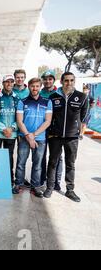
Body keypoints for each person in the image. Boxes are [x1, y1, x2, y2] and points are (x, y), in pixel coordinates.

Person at [44, 72, 89, 202]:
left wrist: (80, 131)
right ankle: (50, 187)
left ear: (74, 81)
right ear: (61, 82)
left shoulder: (81, 97)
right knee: (52, 162)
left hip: (72, 137)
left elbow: (84, 117)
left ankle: (70, 190)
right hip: (55, 136)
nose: (69, 83)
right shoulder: (53, 97)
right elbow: (49, 116)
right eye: (66, 81)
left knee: (70, 163)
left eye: (71, 80)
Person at [13, 78, 53, 198]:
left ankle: (35, 186)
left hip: (40, 138)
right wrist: (28, 136)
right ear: (29, 87)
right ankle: (18, 184)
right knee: (21, 162)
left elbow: (48, 121)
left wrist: (33, 135)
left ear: (40, 87)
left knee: (37, 164)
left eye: (37, 86)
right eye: (32, 86)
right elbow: (19, 121)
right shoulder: (22, 101)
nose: (34, 88)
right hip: (24, 137)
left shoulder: (47, 102)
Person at [0, 74, 20, 184]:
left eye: (11, 82)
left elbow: (20, 117)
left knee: (9, 158)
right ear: (3, 83)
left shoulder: (17, 98)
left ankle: (9, 180)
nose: (9, 84)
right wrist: (3, 129)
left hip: (11, 134)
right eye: (7, 82)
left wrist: (11, 128)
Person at [40, 70, 63, 190]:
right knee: (41, 155)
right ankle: (43, 178)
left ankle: (56, 181)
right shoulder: (40, 93)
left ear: (54, 80)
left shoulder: (59, 93)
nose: (47, 81)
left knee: (57, 157)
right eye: (45, 79)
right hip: (43, 129)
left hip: (56, 130)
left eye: (50, 79)